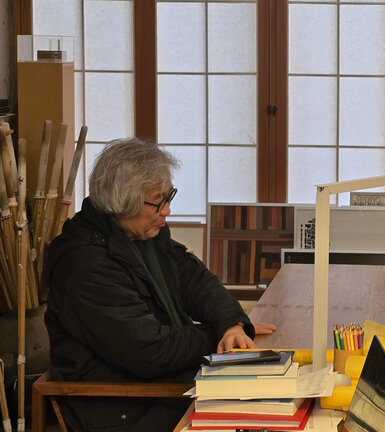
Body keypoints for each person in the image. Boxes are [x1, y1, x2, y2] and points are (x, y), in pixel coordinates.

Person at [44, 138, 277, 431]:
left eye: (169, 197)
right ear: (123, 201)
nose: (166, 210)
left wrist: (231, 323)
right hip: (121, 407)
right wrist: (216, 335)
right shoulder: (85, 265)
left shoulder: (141, 233)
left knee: (273, 393)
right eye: (159, 201)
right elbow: (151, 351)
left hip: (159, 388)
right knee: (259, 413)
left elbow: (195, 280)